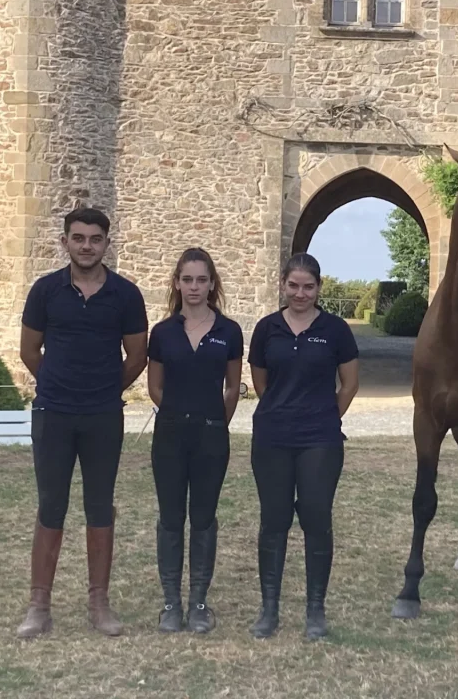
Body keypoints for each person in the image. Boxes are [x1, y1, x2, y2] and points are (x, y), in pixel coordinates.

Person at [16, 207, 148, 638]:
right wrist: (58, 385)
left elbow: (138, 356)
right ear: (65, 242)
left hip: (102, 416)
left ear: (107, 243)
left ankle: (99, 604)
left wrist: (106, 390)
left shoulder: (126, 295)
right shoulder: (45, 291)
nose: (86, 245)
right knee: (51, 505)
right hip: (53, 413)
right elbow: (29, 351)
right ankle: (39, 606)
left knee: (99, 505)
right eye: (78, 238)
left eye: (95, 239)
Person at [247, 253, 360, 641]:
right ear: (282, 285)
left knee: (316, 520)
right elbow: (261, 382)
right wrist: (282, 411)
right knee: (274, 522)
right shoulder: (267, 329)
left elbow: (348, 384)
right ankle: (269, 609)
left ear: (319, 288)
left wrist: (327, 417)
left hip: (320, 441)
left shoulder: (335, 330)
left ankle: (315, 611)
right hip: (273, 438)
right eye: (293, 286)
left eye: (308, 287)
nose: (300, 293)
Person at [146, 248, 243, 634]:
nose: (194, 287)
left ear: (212, 284)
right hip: (169, 436)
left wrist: (215, 421)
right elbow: (155, 385)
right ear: (177, 283)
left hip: (211, 438)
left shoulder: (228, 332)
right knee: (171, 519)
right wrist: (176, 411)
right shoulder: (163, 332)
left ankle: (199, 602)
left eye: (202, 280)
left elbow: (233, 386)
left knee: (203, 519)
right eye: (187, 279)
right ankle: (171, 602)